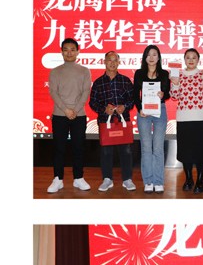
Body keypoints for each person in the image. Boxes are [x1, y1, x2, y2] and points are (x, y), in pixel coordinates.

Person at [47, 37, 92, 192]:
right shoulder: (55, 71)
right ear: (61, 52)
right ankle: (57, 179)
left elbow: (85, 92)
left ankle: (78, 178)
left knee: (78, 148)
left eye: (73, 50)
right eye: (66, 50)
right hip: (59, 115)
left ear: (78, 52)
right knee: (59, 148)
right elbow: (54, 92)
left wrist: (75, 110)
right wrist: (66, 110)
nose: (69, 53)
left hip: (79, 116)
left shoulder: (84, 71)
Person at [89, 50, 136, 192]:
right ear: (104, 62)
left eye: (115, 60)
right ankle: (107, 179)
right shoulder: (98, 82)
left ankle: (127, 179)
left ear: (119, 62)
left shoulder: (125, 80)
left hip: (122, 121)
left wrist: (124, 106)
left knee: (126, 151)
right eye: (109, 60)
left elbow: (132, 100)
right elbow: (92, 102)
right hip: (105, 121)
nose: (112, 63)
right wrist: (104, 109)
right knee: (106, 151)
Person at [171, 47, 203, 193]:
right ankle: (188, 179)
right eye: (188, 57)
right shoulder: (178, 74)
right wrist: (175, 83)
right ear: (184, 60)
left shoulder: (202, 73)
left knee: (201, 151)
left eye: (194, 57)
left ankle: (200, 180)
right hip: (184, 119)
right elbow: (174, 96)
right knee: (185, 151)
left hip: (201, 118)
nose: (191, 60)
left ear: (198, 60)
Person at [133, 46, 170, 193]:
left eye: (154, 54)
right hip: (144, 112)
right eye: (149, 55)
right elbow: (135, 94)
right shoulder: (139, 73)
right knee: (146, 147)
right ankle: (148, 181)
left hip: (160, 110)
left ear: (159, 57)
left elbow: (167, 93)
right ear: (145, 57)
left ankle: (158, 181)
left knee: (158, 148)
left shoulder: (164, 73)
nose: (152, 57)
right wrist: (139, 109)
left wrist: (163, 94)